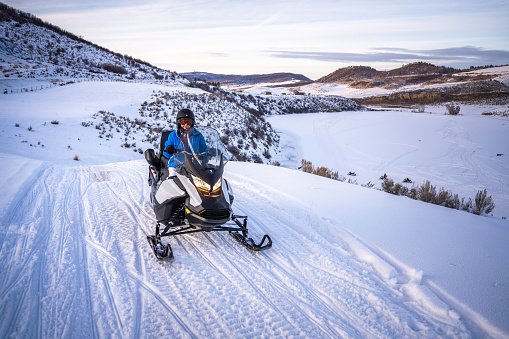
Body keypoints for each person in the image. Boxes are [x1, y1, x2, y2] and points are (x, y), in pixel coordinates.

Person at [162, 108, 208, 177]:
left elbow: (204, 149)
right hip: (176, 165)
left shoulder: (198, 135)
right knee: (172, 181)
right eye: (183, 122)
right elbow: (166, 154)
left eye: (188, 122)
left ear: (192, 123)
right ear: (179, 122)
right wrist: (169, 149)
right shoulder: (173, 135)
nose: (186, 124)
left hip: (195, 164)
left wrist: (210, 152)